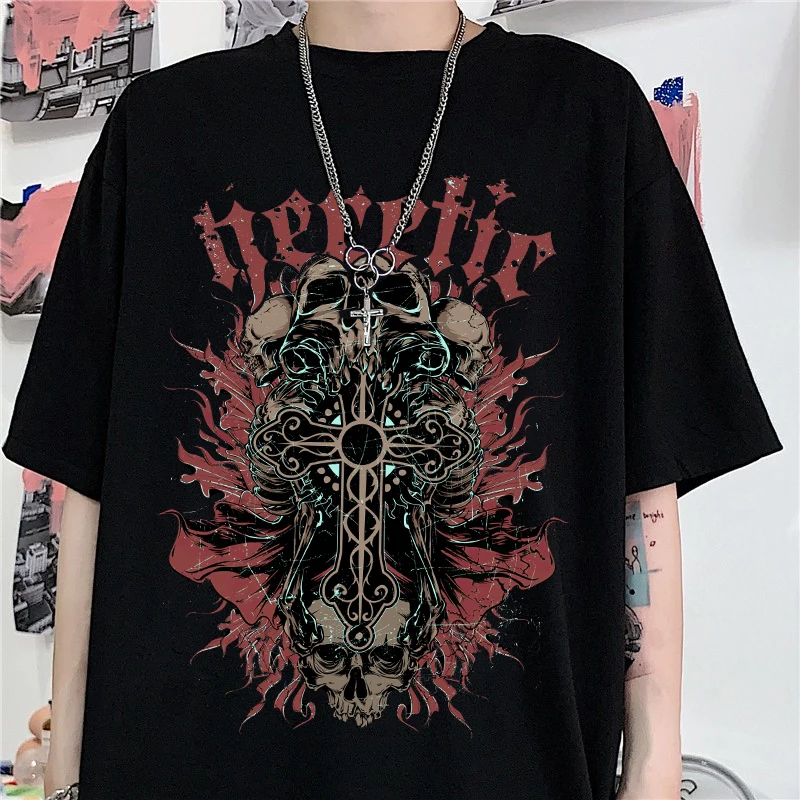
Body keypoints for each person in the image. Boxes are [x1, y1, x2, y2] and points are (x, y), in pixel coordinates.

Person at [2, 2, 783, 799]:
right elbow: (87, 480)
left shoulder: (590, 117)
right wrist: (67, 778)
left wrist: (652, 771)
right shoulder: (161, 129)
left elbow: (644, 489)